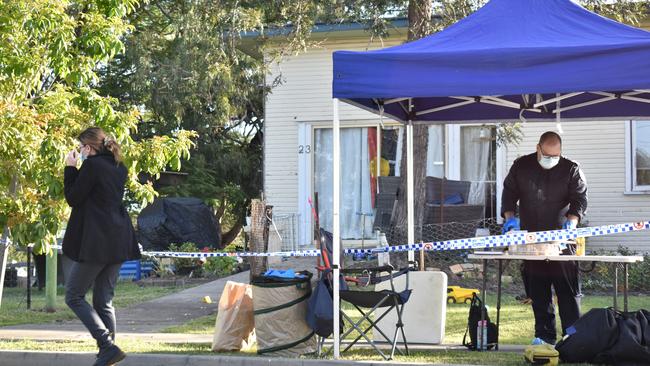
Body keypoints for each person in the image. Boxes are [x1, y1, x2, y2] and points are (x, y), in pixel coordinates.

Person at [63, 127, 141, 366]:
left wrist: (69, 168)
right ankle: (108, 355)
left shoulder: (92, 166)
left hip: (97, 241)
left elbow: (74, 198)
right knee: (103, 301)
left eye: (81, 148)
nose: (79, 152)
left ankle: (107, 345)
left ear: (89, 148)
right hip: (119, 238)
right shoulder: (120, 167)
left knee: (74, 295)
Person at [501, 131, 587, 345]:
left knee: (567, 291)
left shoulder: (571, 168)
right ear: (538, 148)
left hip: (562, 239)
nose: (551, 160)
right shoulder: (521, 166)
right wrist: (510, 218)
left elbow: (580, 198)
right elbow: (509, 192)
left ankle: (572, 338)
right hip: (532, 239)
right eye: (547, 155)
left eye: (555, 156)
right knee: (538, 292)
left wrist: (573, 221)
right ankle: (544, 336)